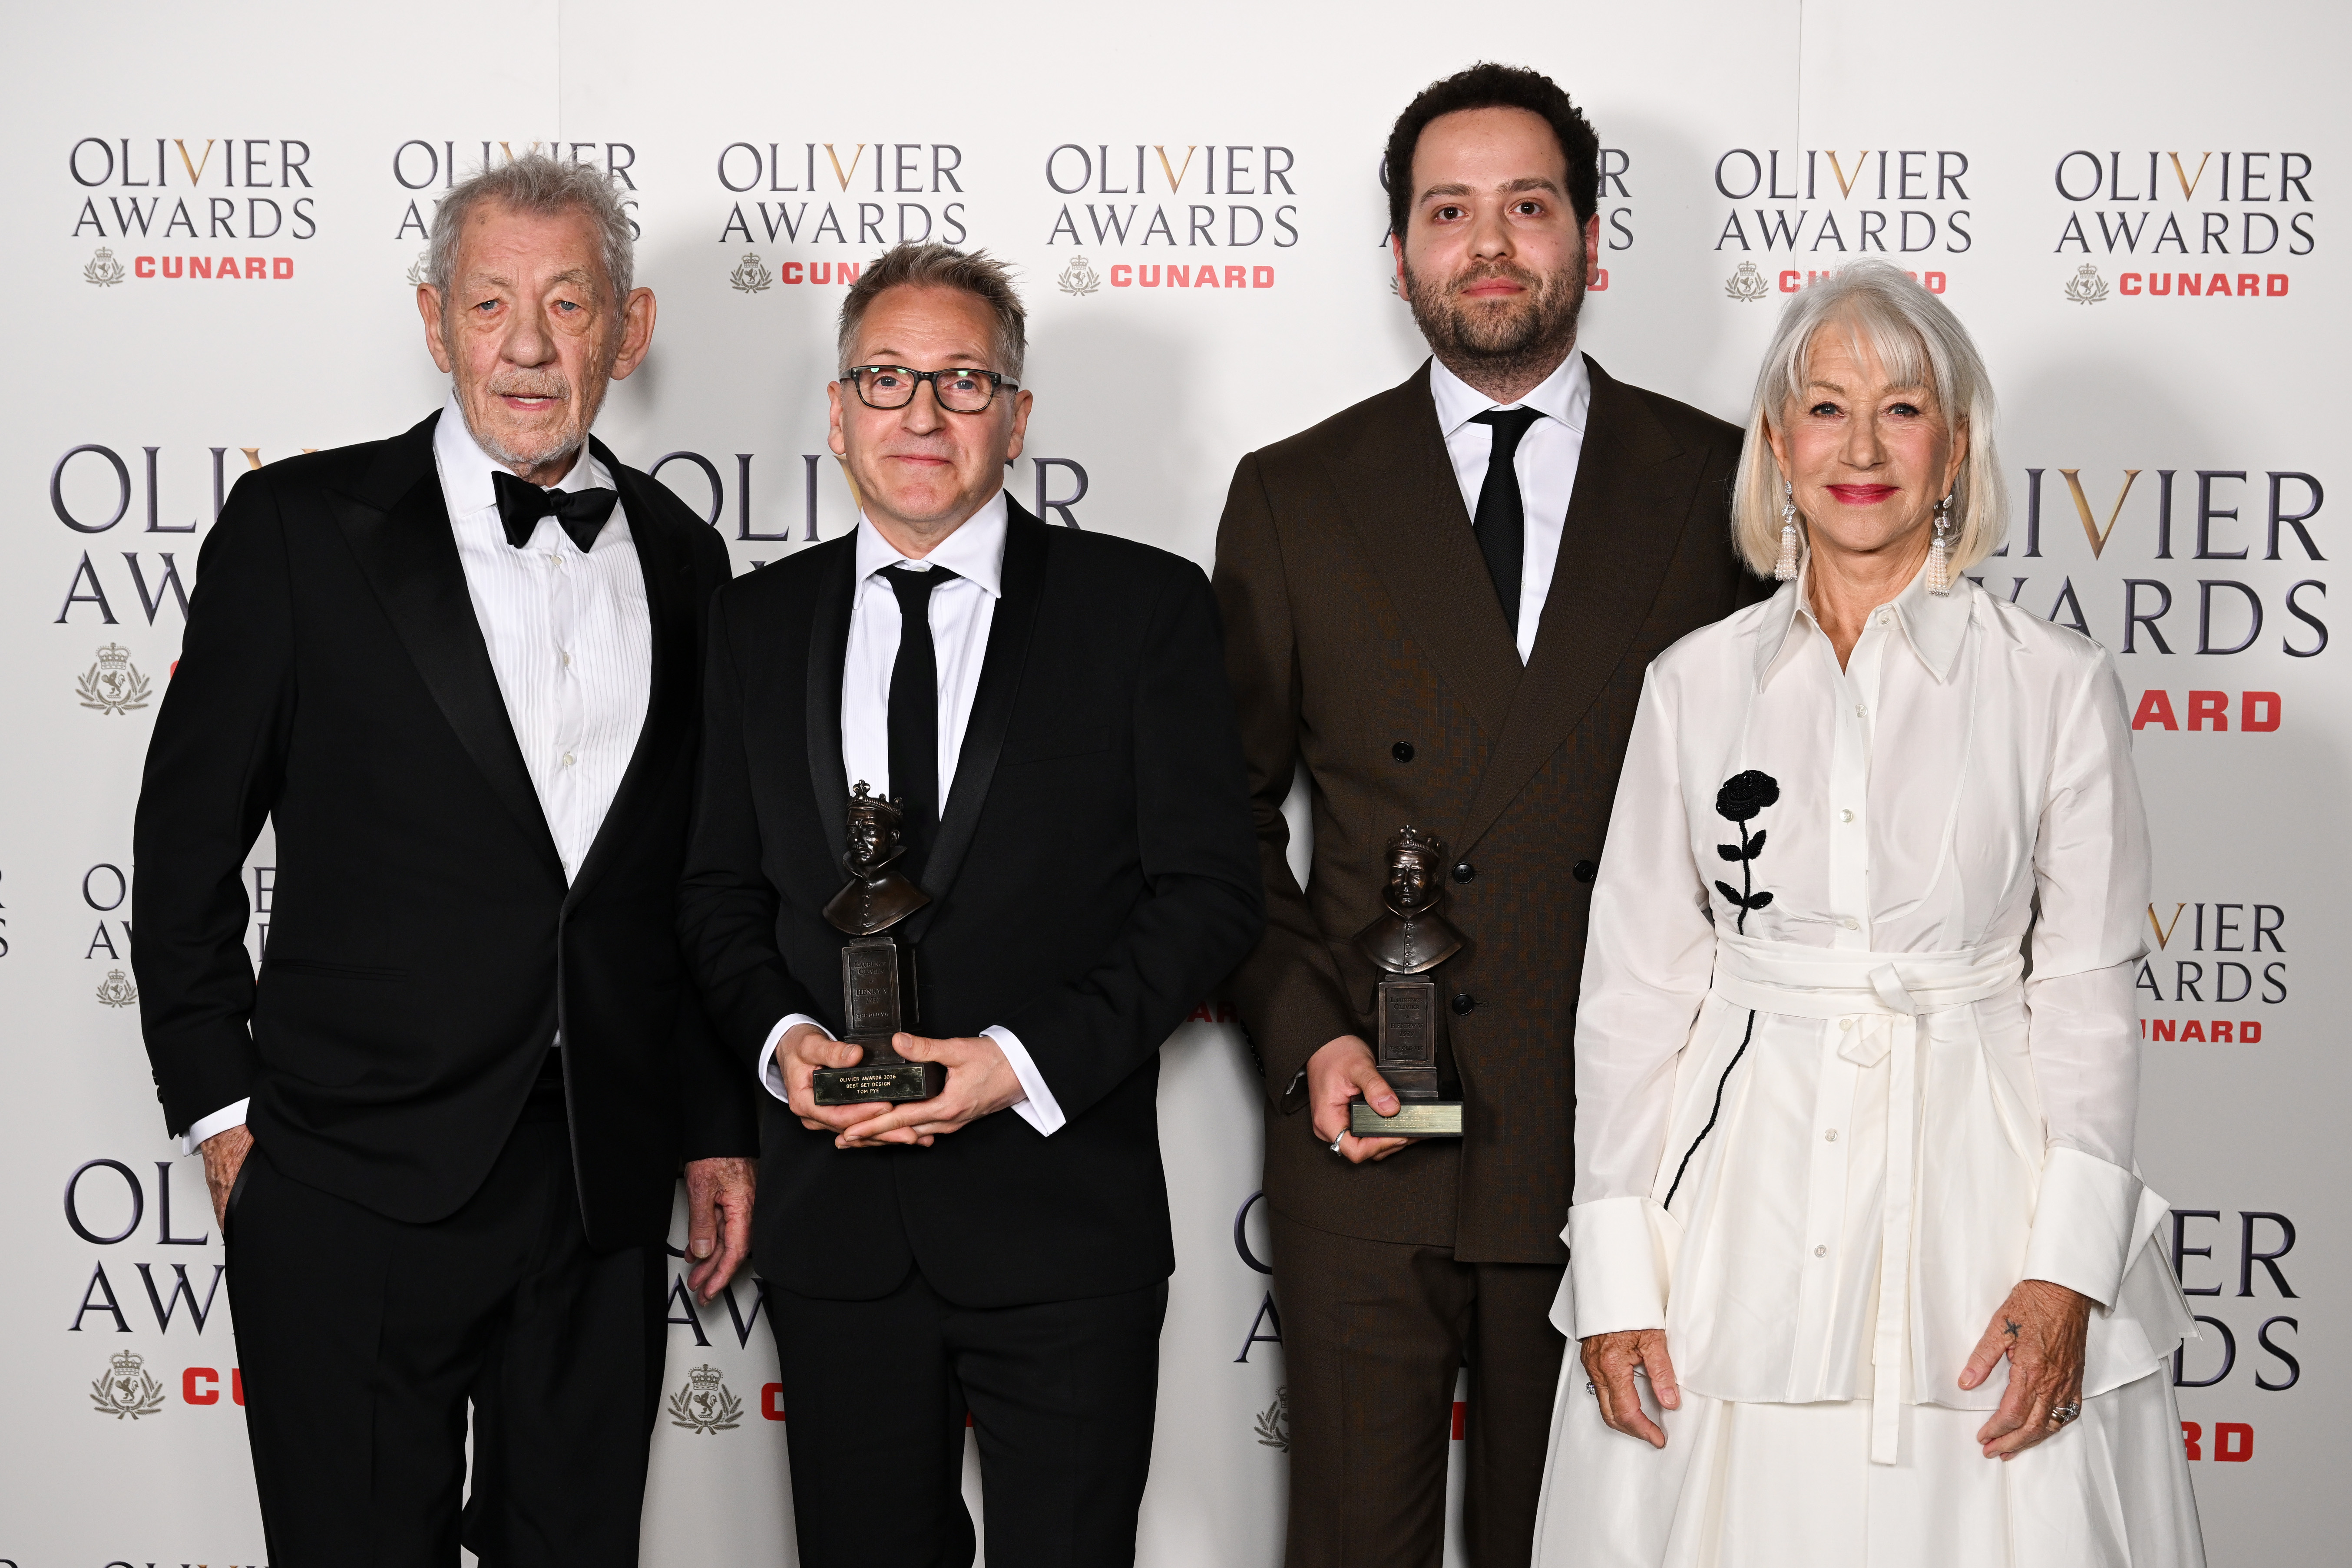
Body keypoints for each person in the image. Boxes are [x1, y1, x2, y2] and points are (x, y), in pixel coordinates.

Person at [130, 155, 758, 1567]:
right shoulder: (299, 532)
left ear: (632, 328)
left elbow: (700, 881)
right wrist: (225, 1114)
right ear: (434, 322)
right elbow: (179, 852)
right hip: (348, 1174)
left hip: (597, 1184)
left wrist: (717, 1123)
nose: (528, 346)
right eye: (490, 303)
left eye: (566, 303)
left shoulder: (685, 556)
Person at [1533, 261, 2205, 1568]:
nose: (1861, 446)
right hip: (1728, 1213)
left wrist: (2068, 1269)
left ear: (1956, 446)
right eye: (1826, 407)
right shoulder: (1693, 684)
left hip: (1984, 1205)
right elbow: (1632, 997)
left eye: (1903, 410)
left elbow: (2086, 997)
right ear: (1778, 445)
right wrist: (1616, 1270)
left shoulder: (2055, 685)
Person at [1212, 63, 1763, 1568]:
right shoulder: (1293, 494)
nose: (1492, 244)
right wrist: (1308, 1031)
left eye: (1529, 205)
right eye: (1449, 212)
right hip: (1367, 1139)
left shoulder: (1724, 484)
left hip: (1623, 1154)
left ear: (1592, 237)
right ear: (1398, 255)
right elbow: (1223, 830)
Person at [677, 241, 1262, 1568]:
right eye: (885, 379)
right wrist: (783, 1048)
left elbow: (1210, 895)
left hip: (1063, 1221)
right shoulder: (751, 627)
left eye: (961, 381)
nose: (922, 415)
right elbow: (712, 893)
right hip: (838, 1225)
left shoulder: (1143, 610)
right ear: (835, 411)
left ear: (1017, 413)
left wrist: (1018, 1063)